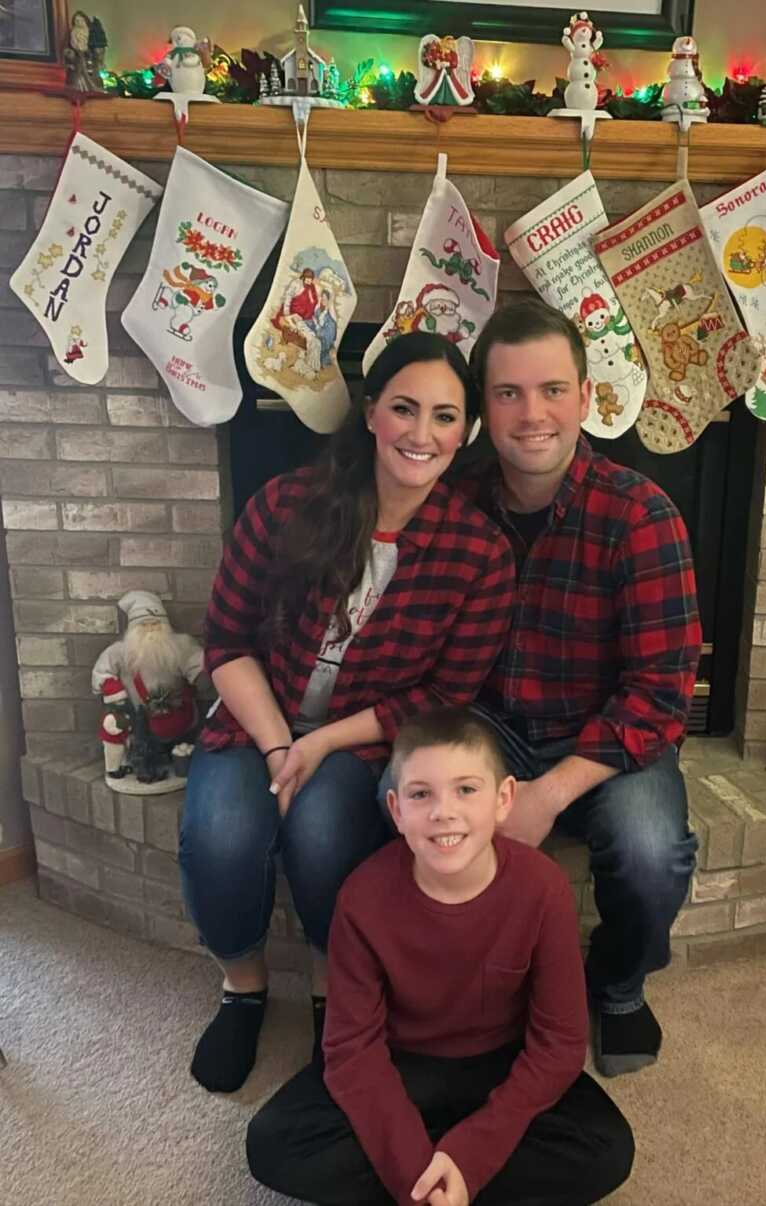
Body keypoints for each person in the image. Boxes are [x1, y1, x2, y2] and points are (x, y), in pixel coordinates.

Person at [180, 332, 516, 1094]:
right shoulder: (285, 506)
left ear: (464, 433)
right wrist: (276, 748)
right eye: (403, 409)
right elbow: (227, 642)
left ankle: (341, 996)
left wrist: (323, 741)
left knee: (326, 834)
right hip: (254, 719)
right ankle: (243, 988)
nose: (420, 434)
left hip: (362, 739)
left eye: (442, 417)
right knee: (222, 836)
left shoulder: (479, 555)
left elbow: (442, 697)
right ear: (370, 415)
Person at [246, 707, 635, 1205]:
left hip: (501, 1064)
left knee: (607, 1149)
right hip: (400, 1064)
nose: (443, 812)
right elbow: (350, 1052)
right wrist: (411, 1168)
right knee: (274, 1144)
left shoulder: (544, 890)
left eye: (466, 790)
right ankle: (435, 1184)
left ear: (504, 800)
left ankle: (450, 1179)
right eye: (421, 794)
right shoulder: (363, 897)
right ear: (397, 809)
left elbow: (558, 1045)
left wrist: (473, 1156)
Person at [461, 297, 702, 1078]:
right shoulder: (453, 501)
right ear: (484, 409)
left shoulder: (641, 514)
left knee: (649, 851)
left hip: (606, 733)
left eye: (553, 390)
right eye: (508, 394)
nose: (533, 414)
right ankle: (467, 993)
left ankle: (619, 984)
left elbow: (661, 694)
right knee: (397, 803)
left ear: (587, 399)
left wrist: (547, 794)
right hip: (485, 723)